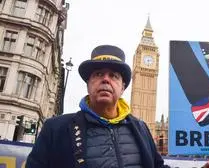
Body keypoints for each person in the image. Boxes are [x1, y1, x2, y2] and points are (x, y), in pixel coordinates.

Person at [25, 45, 170, 168]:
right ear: (88, 84)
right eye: (99, 74)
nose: (106, 80)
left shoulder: (141, 128)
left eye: (114, 75)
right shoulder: (56, 129)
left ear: (123, 88)